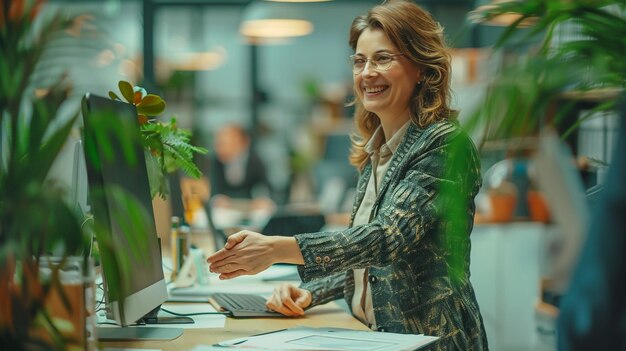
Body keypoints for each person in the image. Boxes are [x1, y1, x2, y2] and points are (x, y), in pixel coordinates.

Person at [207, 1, 488, 349]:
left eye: (383, 58)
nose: (367, 72)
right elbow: (368, 267)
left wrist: (278, 249)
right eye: (360, 61)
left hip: (431, 342)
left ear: (421, 69)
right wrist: (309, 291)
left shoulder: (443, 144)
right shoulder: (376, 152)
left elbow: (385, 239)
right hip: (378, 337)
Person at [208, 123, 273, 211]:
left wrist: (262, 198)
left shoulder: (254, 160)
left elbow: (265, 186)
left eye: (226, 143)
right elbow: (214, 189)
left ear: (243, 143)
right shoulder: (216, 162)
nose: (220, 149)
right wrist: (217, 199)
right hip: (227, 208)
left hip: (250, 205)